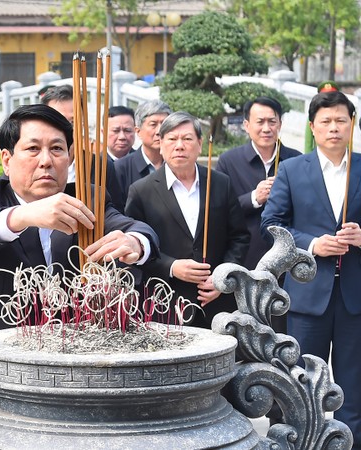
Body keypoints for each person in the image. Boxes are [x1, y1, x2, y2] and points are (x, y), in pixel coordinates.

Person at [0, 104, 159, 333]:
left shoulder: (85, 198)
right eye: (33, 148)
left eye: (56, 149)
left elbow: (137, 228)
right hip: (0, 351)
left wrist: (135, 242)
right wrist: (24, 215)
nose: (46, 161)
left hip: (74, 349)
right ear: (6, 160)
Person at [261, 89, 361, 447]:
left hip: (355, 297)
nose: (334, 127)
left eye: (340, 120)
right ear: (313, 127)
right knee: (301, 383)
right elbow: (271, 222)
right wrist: (313, 244)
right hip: (307, 295)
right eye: (326, 121)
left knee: (355, 385)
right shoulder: (291, 170)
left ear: (352, 124)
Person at [125, 112, 250, 329]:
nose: (179, 146)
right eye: (172, 139)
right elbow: (134, 250)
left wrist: (222, 279)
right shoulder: (141, 191)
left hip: (217, 302)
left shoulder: (220, 183)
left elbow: (239, 236)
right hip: (166, 303)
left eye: (187, 139)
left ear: (200, 144)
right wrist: (172, 266)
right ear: (161, 144)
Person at [216, 97, 300, 335]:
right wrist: (254, 197)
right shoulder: (228, 161)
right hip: (245, 254)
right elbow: (221, 209)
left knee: (282, 327)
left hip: (284, 259)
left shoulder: (296, 160)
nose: (266, 128)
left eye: (272, 121)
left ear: (280, 124)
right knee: (245, 327)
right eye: (260, 121)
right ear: (246, 125)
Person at [40, 85, 126, 212]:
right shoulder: (33, 163)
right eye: (58, 121)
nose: (66, 128)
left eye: (73, 122)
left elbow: (116, 213)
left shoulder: (100, 166)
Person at [114, 100, 172, 200]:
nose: (159, 131)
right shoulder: (120, 168)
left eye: (164, 124)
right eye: (153, 124)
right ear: (138, 131)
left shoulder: (177, 165)